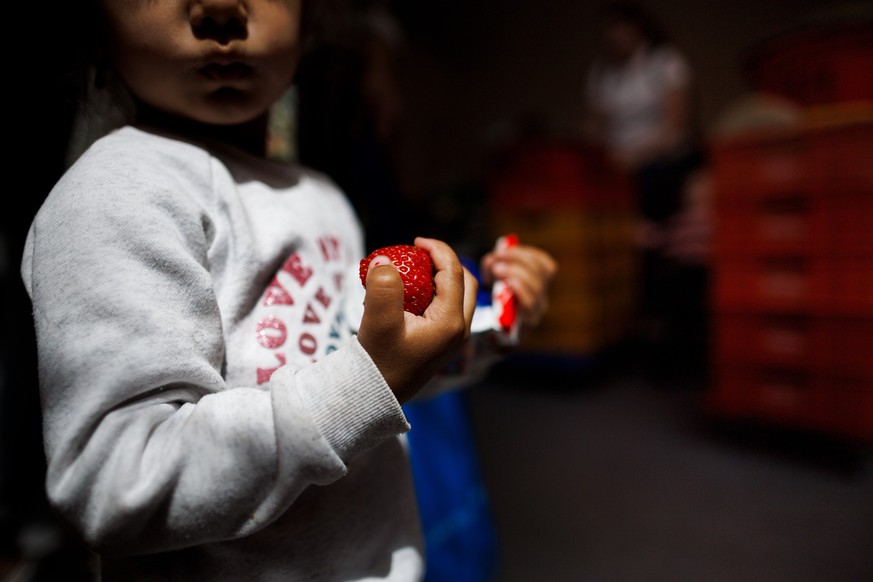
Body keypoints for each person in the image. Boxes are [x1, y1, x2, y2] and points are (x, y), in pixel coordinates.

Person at [18, 1, 557, 581]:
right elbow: (117, 484)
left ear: (308, 24)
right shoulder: (115, 195)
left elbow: (372, 373)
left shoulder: (319, 194)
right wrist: (360, 387)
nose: (221, 8)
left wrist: (485, 323)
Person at [583, 1, 709, 381]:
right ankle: (640, 344)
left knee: (668, 255)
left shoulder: (664, 62)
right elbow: (598, 128)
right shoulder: (602, 73)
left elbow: (676, 128)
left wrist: (631, 158)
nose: (614, 36)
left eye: (620, 26)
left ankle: (676, 347)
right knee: (627, 256)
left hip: (663, 169)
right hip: (619, 176)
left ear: (638, 27)